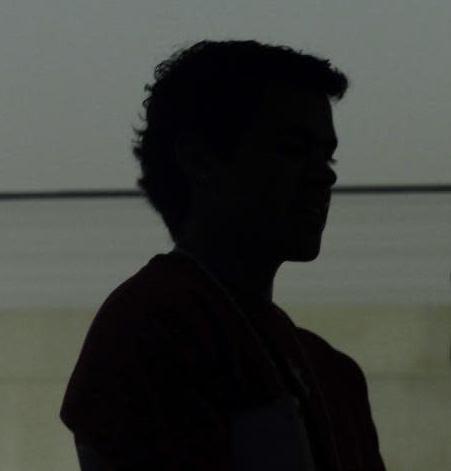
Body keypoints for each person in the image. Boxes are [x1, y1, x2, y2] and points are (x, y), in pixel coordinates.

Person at [60, 41, 385, 470]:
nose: (324, 175)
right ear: (200, 160)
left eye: (327, 155)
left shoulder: (333, 375)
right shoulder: (152, 327)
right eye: (291, 148)